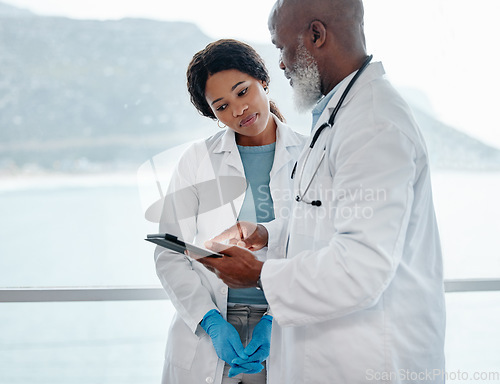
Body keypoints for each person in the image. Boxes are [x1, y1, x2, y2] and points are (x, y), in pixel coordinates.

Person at [199, 1, 446, 383]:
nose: (280, 64)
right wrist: (268, 233)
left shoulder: (374, 124)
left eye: (281, 48)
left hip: (368, 364)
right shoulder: (339, 116)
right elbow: (326, 219)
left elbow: (361, 267)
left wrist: (260, 275)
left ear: (316, 35)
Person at [154, 39, 306, 384]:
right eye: (222, 106)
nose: (238, 110)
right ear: (213, 114)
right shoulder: (197, 159)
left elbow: (318, 242)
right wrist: (209, 320)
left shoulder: (310, 155)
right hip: (209, 324)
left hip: (286, 324)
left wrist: (274, 318)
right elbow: (169, 251)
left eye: (242, 91)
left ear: (263, 80)